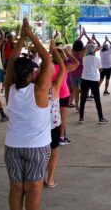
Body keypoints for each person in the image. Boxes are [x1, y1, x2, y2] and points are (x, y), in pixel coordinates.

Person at [2, 19, 53, 210]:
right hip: (37, 147)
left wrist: (21, 39)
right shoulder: (39, 90)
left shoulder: (10, 89)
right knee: (34, 188)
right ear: (32, 73)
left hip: (13, 146)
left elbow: (10, 65)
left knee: (16, 187)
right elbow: (47, 59)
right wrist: (31, 35)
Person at [45, 37, 67, 188]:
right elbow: (64, 68)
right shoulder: (55, 87)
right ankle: (50, 179)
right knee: (53, 152)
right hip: (53, 125)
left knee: (40, 153)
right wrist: (53, 50)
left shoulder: (33, 88)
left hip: (38, 125)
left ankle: (38, 179)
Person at [79, 35, 105, 124]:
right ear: (94, 51)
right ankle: (101, 118)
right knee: (97, 99)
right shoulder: (97, 59)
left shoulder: (84, 58)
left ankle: (81, 118)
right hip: (94, 80)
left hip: (84, 79)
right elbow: (100, 69)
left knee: (82, 99)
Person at [69, 29, 90, 108]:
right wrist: (85, 35)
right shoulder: (83, 52)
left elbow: (76, 42)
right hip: (82, 75)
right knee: (83, 91)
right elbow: (90, 42)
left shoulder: (72, 51)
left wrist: (81, 35)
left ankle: (76, 105)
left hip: (73, 74)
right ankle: (81, 106)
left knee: (76, 91)